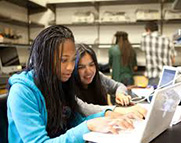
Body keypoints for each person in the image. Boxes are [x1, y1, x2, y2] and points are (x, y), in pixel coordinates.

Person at [7, 25, 140, 143]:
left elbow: (75, 120)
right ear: (44, 59)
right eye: (63, 60)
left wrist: (110, 117)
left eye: (73, 60)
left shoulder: (58, 82)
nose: (71, 67)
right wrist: (89, 126)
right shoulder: (21, 92)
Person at [73, 44, 147, 117]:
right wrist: (121, 110)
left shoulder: (98, 77)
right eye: (81, 67)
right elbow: (84, 109)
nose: (88, 71)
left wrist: (120, 94)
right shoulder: (68, 85)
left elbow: (118, 86)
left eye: (91, 65)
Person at [141, 21, 176, 86]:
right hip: (167, 76)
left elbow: (143, 47)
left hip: (153, 76)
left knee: (153, 95)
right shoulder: (167, 39)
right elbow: (173, 60)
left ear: (148, 30)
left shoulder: (145, 39)